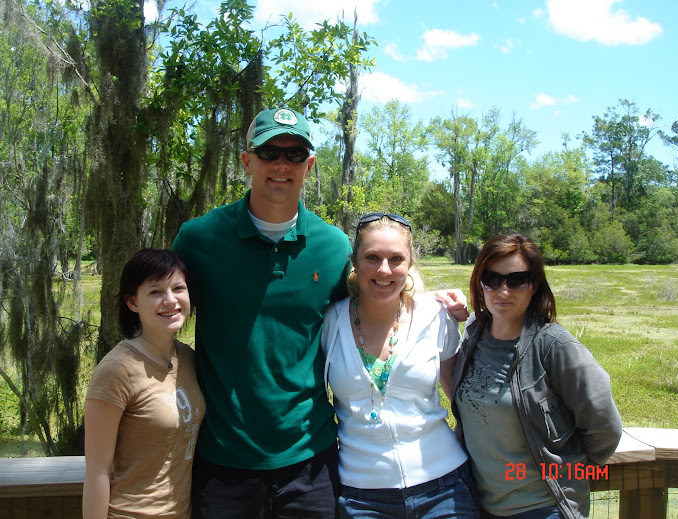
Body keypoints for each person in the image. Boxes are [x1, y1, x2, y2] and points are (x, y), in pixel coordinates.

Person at [171, 107, 469, 519]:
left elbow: (373, 293)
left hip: (310, 459)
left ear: (309, 165)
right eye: (269, 152)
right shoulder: (198, 239)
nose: (281, 164)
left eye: (294, 155)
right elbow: (161, 311)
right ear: (246, 161)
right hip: (223, 458)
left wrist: (432, 301)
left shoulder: (330, 247)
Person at [450, 234, 622, 519]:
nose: (503, 291)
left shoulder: (555, 346)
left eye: (517, 280)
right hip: (480, 504)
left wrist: (567, 469)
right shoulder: (472, 333)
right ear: (480, 284)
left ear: (534, 286)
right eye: (491, 279)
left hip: (542, 508)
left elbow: (604, 426)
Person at [321, 213, 480, 518]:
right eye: (372, 257)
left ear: (410, 264)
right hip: (360, 497)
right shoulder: (330, 322)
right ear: (354, 260)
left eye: (396, 259)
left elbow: (460, 393)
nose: (384, 269)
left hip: (445, 487)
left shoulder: (436, 316)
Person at [83, 249, 206, 519]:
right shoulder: (117, 370)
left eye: (178, 288)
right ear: (132, 302)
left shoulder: (187, 357)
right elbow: (97, 472)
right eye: (155, 292)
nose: (170, 300)